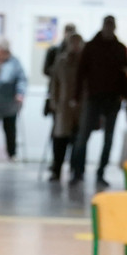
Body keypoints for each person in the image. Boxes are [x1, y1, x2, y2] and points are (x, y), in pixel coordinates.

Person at [70, 15, 127, 187]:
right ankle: (77, 171)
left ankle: (100, 172)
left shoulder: (119, 48)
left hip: (112, 99)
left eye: (111, 26)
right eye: (107, 25)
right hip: (93, 98)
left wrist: (125, 97)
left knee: (108, 138)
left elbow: (124, 74)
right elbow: (81, 73)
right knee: (83, 136)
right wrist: (76, 96)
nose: (109, 28)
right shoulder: (91, 47)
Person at [44, 24, 84, 182]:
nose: (74, 46)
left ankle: (76, 171)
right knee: (59, 140)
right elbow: (54, 84)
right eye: (72, 42)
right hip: (62, 108)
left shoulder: (85, 62)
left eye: (77, 42)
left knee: (78, 141)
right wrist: (54, 103)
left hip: (80, 109)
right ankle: (56, 169)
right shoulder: (61, 61)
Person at [0, 40, 27, 159]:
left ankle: (12, 154)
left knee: (10, 130)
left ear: (3, 50)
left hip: (9, 103)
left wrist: (20, 93)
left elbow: (21, 79)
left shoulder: (14, 62)